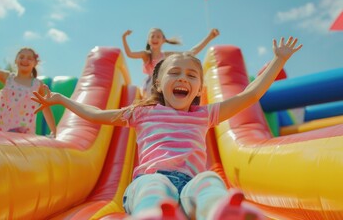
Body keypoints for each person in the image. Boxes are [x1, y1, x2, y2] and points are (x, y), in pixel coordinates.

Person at [32, 36, 302, 219]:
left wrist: (278, 61)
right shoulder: (142, 112)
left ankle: (222, 211)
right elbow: (97, 114)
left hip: (190, 183)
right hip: (150, 178)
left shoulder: (204, 114)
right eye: (174, 73)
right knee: (153, 185)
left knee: (209, 181)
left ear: (199, 89)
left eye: (191, 75)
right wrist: (63, 100)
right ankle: (154, 215)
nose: (182, 78)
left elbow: (249, 95)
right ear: (159, 84)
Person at [122, 28, 219, 98]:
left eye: (158, 36)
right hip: (150, 85)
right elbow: (130, 54)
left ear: (163, 40)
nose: (155, 38)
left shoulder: (166, 55)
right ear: (148, 40)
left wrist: (209, 37)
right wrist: (124, 38)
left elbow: (191, 52)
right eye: (152, 36)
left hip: (162, 83)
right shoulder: (146, 55)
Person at [0, 47, 56, 136]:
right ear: (15, 60)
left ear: (35, 63)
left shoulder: (37, 85)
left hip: (23, 129)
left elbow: (45, 106)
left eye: (29, 58)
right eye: (21, 57)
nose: (25, 60)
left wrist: (53, 131)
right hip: (2, 126)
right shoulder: (8, 78)